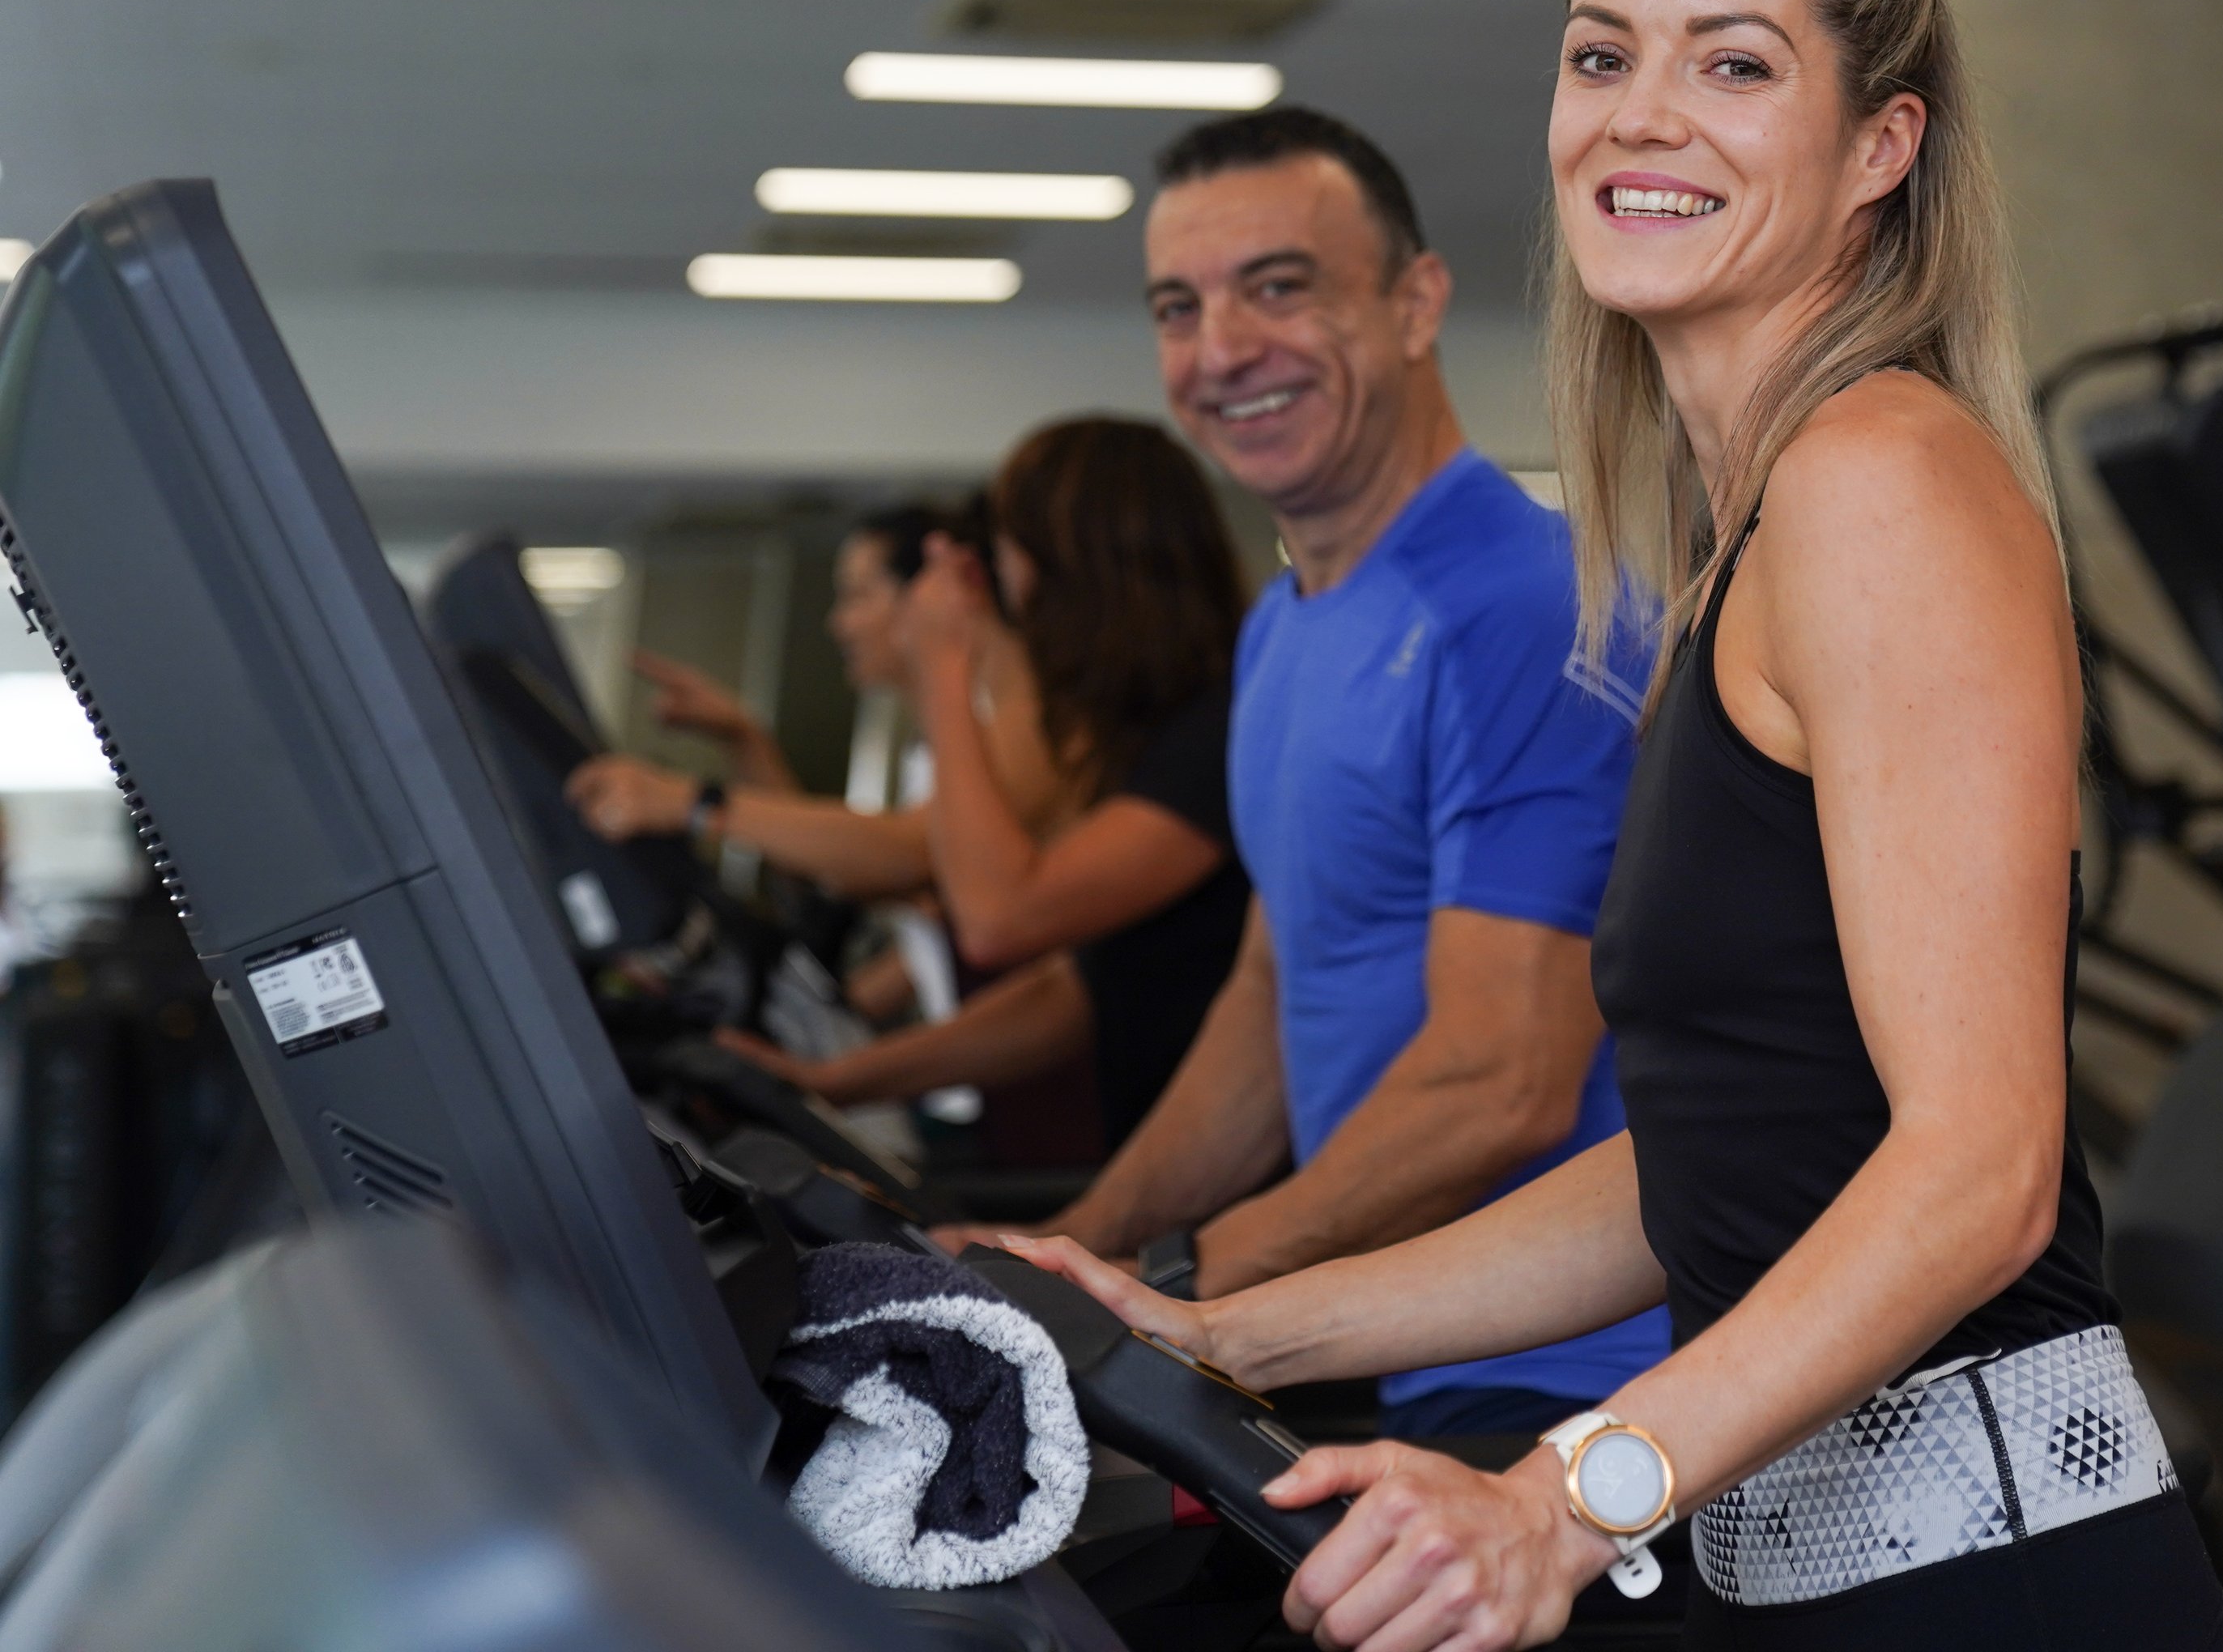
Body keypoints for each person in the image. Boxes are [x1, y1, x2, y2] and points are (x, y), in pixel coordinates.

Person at [971, 0, 2223, 1650]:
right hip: (1802, 1563)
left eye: (1733, 61)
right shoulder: (1740, 540)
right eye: (1601, 51)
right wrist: (1221, 1325)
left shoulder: (1882, 478)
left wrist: (1560, 1501)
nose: (1641, 112)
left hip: (1994, 1580)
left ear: (1878, 144)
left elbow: (1978, 1169)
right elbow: (1706, 1164)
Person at [948, 105, 1669, 1444]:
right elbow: (1276, 996)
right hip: (1395, 1352)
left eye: (1280, 288)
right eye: (1179, 308)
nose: (1223, 351)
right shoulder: (1285, 631)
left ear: (1415, 302)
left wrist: (1186, 1281)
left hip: (1579, 1386)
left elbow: (1500, 1083)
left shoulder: (1520, 606)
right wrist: (1069, 1247)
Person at [719, 417, 1253, 1154]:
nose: (1000, 584)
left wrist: (943, 664)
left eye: (1006, 550)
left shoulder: (1216, 729)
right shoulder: (1145, 731)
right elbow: (1073, 993)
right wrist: (841, 1079)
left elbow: (998, 918)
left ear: (1069, 564)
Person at [566, 502, 1069, 907]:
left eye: (857, 596)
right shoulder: (937, 740)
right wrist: (744, 738)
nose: (839, 624)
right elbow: (849, 870)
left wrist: (691, 804)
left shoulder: (1026, 716)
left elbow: (908, 852)